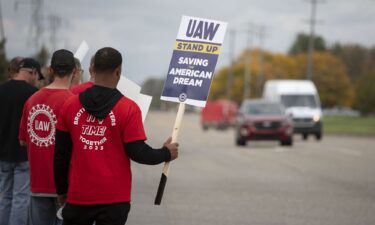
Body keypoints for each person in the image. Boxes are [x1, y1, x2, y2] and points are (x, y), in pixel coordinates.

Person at [54, 47, 179, 225]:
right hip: (114, 200)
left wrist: (61, 191)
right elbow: (138, 152)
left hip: (78, 196)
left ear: (92, 70)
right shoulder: (128, 108)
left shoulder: (70, 105)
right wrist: (166, 153)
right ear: (118, 71)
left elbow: (60, 154)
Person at [19, 49, 76, 225]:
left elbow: (22, 140)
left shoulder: (32, 100)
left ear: (50, 70)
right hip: (66, 185)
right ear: (74, 71)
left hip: (38, 182)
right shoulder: (74, 102)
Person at [0, 58, 41, 225]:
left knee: (5, 196)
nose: (36, 80)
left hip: (3, 152)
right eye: (36, 75)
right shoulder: (33, 94)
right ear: (31, 72)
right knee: (21, 198)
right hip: (24, 153)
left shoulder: (1, 90)